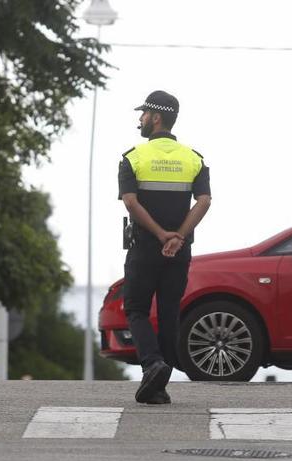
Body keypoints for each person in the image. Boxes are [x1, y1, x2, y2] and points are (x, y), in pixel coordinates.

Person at [118, 90, 211, 405]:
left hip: (145, 247)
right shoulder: (194, 159)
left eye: (143, 114)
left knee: (136, 308)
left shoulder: (133, 158)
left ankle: (152, 364)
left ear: (156, 117)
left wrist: (160, 235)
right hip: (179, 251)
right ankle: (158, 386)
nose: (140, 119)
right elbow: (204, 200)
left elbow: (130, 202)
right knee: (170, 313)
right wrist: (179, 237)